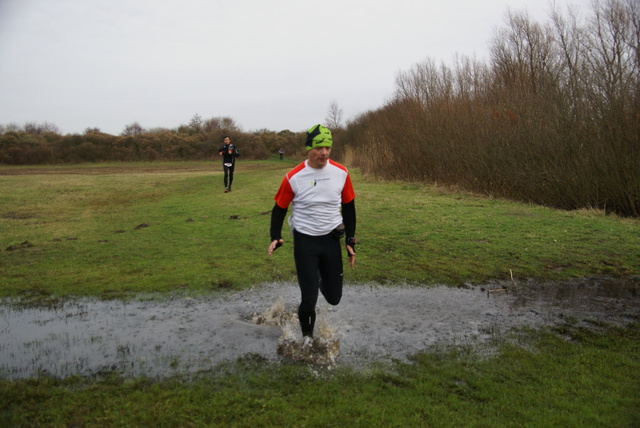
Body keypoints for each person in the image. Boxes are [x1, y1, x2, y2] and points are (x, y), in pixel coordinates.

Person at [268, 124, 357, 347]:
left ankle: (317, 278)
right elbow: (279, 208)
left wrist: (351, 240)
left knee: (334, 298)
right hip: (305, 241)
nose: (324, 153)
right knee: (309, 299)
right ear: (309, 148)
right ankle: (307, 339)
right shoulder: (293, 177)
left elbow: (349, 206)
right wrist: (275, 236)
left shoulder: (341, 172)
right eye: (319, 148)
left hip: (330, 240)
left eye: (328, 148)